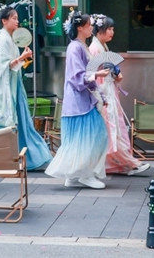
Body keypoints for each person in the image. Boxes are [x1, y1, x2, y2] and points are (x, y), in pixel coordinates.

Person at [46, 11, 110, 188]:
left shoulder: (80, 46)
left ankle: (75, 175)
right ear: (80, 27)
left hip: (82, 100)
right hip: (79, 101)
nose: (91, 28)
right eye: (89, 25)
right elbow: (76, 76)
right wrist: (96, 73)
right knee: (94, 137)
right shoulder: (75, 47)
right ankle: (85, 174)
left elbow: (82, 75)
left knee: (81, 139)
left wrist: (100, 93)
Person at [0, 4, 51, 170]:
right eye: (13, 18)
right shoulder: (3, 40)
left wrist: (22, 58)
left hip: (13, 86)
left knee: (18, 120)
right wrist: (23, 57)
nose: (17, 21)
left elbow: (10, 65)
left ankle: (6, 156)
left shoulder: (9, 39)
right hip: (7, 88)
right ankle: (3, 157)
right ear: (4, 21)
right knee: (11, 120)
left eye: (17, 18)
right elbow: (5, 65)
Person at [88, 14, 149, 176]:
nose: (112, 32)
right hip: (105, 94)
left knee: (115, 129)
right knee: (112, 129)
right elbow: (94, 75)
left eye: (112, 29)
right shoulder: (95, 49)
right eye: (109, 29)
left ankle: (121, 164)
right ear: (99, 30)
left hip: (109, 91)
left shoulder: (102, 47)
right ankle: (129, 163)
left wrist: (115, 75)